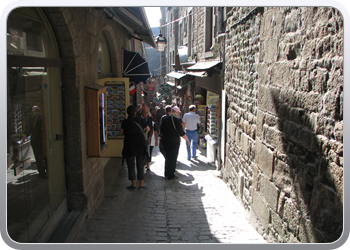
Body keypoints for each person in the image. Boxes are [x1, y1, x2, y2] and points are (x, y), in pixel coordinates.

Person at [120, 105, 149, 190]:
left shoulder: (125, 122)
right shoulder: (140, 120)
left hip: (129, 145)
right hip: (140, 144)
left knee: (131, 164)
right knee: (140, 164)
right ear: (135, 112)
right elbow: (147, 128)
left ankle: (133, 185)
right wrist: (143, 132)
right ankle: (141, 184)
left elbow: (121, 133)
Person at [159, 106, 190, 180]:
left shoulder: (164, 118)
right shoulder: (176, 120)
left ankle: (167, 173)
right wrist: (187, 140)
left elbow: (161, 129)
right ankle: (171, 174)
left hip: (165, 140)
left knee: (168, 157)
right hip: (174, 141)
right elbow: (181, 132)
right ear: (176, 112)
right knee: (173, 157)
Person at [22, 105, 47, 178]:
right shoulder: (43, 117)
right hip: (44, 139)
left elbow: (28, 130)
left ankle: (42, 173)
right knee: (45, 155)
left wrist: (24, 138)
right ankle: (48, 170)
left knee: (38, 156)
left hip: (36, 139)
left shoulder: (33, 119)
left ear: (33, 112)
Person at [140, 106, 153, 171]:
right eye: (144, 112)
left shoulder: (149, 118)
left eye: (147, 112)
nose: (145, 114)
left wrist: (150, 137)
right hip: (140, 139)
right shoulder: (138, 118)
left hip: (147, 138)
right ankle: (142, 165)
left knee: (148, 152)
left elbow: (151, 129)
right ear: (141, 112)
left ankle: (146, 164)